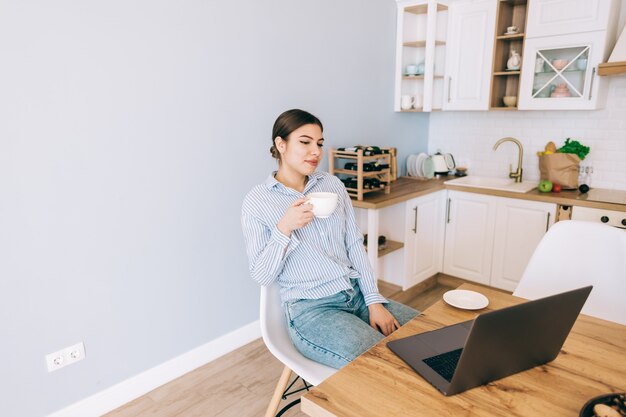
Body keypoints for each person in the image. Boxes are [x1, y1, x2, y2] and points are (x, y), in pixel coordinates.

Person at [241, 109, 418, 369]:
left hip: (355, 294)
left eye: (320, 144)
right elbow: (261, 275)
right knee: (384, 366)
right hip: (313, 311)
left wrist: (374, 301)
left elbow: (355, 246)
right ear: (281, 144)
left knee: (428, 337)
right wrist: (284, 229)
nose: (316, 151)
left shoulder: (332, 185)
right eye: (305, 142)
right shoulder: (257, 202)